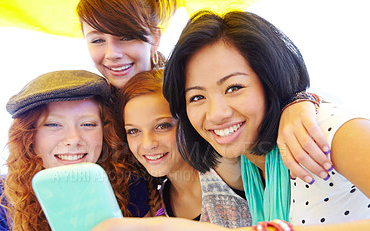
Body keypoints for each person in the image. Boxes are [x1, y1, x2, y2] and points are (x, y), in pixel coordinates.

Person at [70, 10, 370, 231]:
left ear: (270, 80)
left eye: (234, 87)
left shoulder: (327, 130)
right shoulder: (251, 164)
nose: (216, 114)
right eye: (197, 97)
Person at [75, 0, 332, 182]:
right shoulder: (95, 105)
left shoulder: (185, 79)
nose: (112, 55)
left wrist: (299, 100)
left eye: (126, 37)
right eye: (97, 40)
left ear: (154, 36)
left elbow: (274, 86)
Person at [0, 70, 150, 231]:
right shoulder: (5, 192)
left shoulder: (129, 178)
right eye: (53, 125)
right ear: (28, 136)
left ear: (105, 131)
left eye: (88, 124)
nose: (74, 139)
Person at [118, 68, 251, 227]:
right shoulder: (158, 202)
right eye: (134, 131)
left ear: (188, 121)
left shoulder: (225, 167)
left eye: (163, 126)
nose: (147, 144)